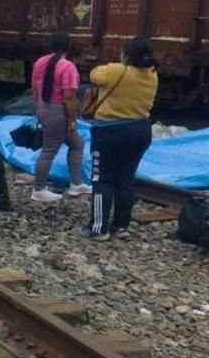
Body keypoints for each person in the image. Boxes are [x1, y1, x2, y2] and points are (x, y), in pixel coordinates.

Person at [79, 37, 158, 241]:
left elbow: (94, 74)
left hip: (110, 132)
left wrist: (117, 64)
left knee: (101, 178)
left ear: (128, 55)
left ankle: (98, 228)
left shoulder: (116, 71)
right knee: (126, 178)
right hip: (141, 130)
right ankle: (121, 226)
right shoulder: (152, 75)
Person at [30, 32, 91, 202]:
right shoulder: (68, 66)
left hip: (44, 107)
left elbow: (34, 87)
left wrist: (39, 106)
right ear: (68, 47)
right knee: (49, 150)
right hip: (58, 111)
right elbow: (69, 97)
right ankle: (39, 189)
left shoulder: (40, 62)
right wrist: (72, 119)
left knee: (77, 143)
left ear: (50, 46)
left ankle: (77, 184)